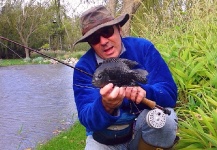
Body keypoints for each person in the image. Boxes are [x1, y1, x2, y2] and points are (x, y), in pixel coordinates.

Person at [73, 5, 178, 150]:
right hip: (103, 139)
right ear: (90, 43)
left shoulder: (144, 49)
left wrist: (145, 92)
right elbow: (86, 117)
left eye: (107, 31)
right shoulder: (83, 67)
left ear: (119, 29)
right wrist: (105, 106)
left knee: (166, 120)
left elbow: (169, 93)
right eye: (95, 38)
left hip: (140, 129)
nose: (103, 41)